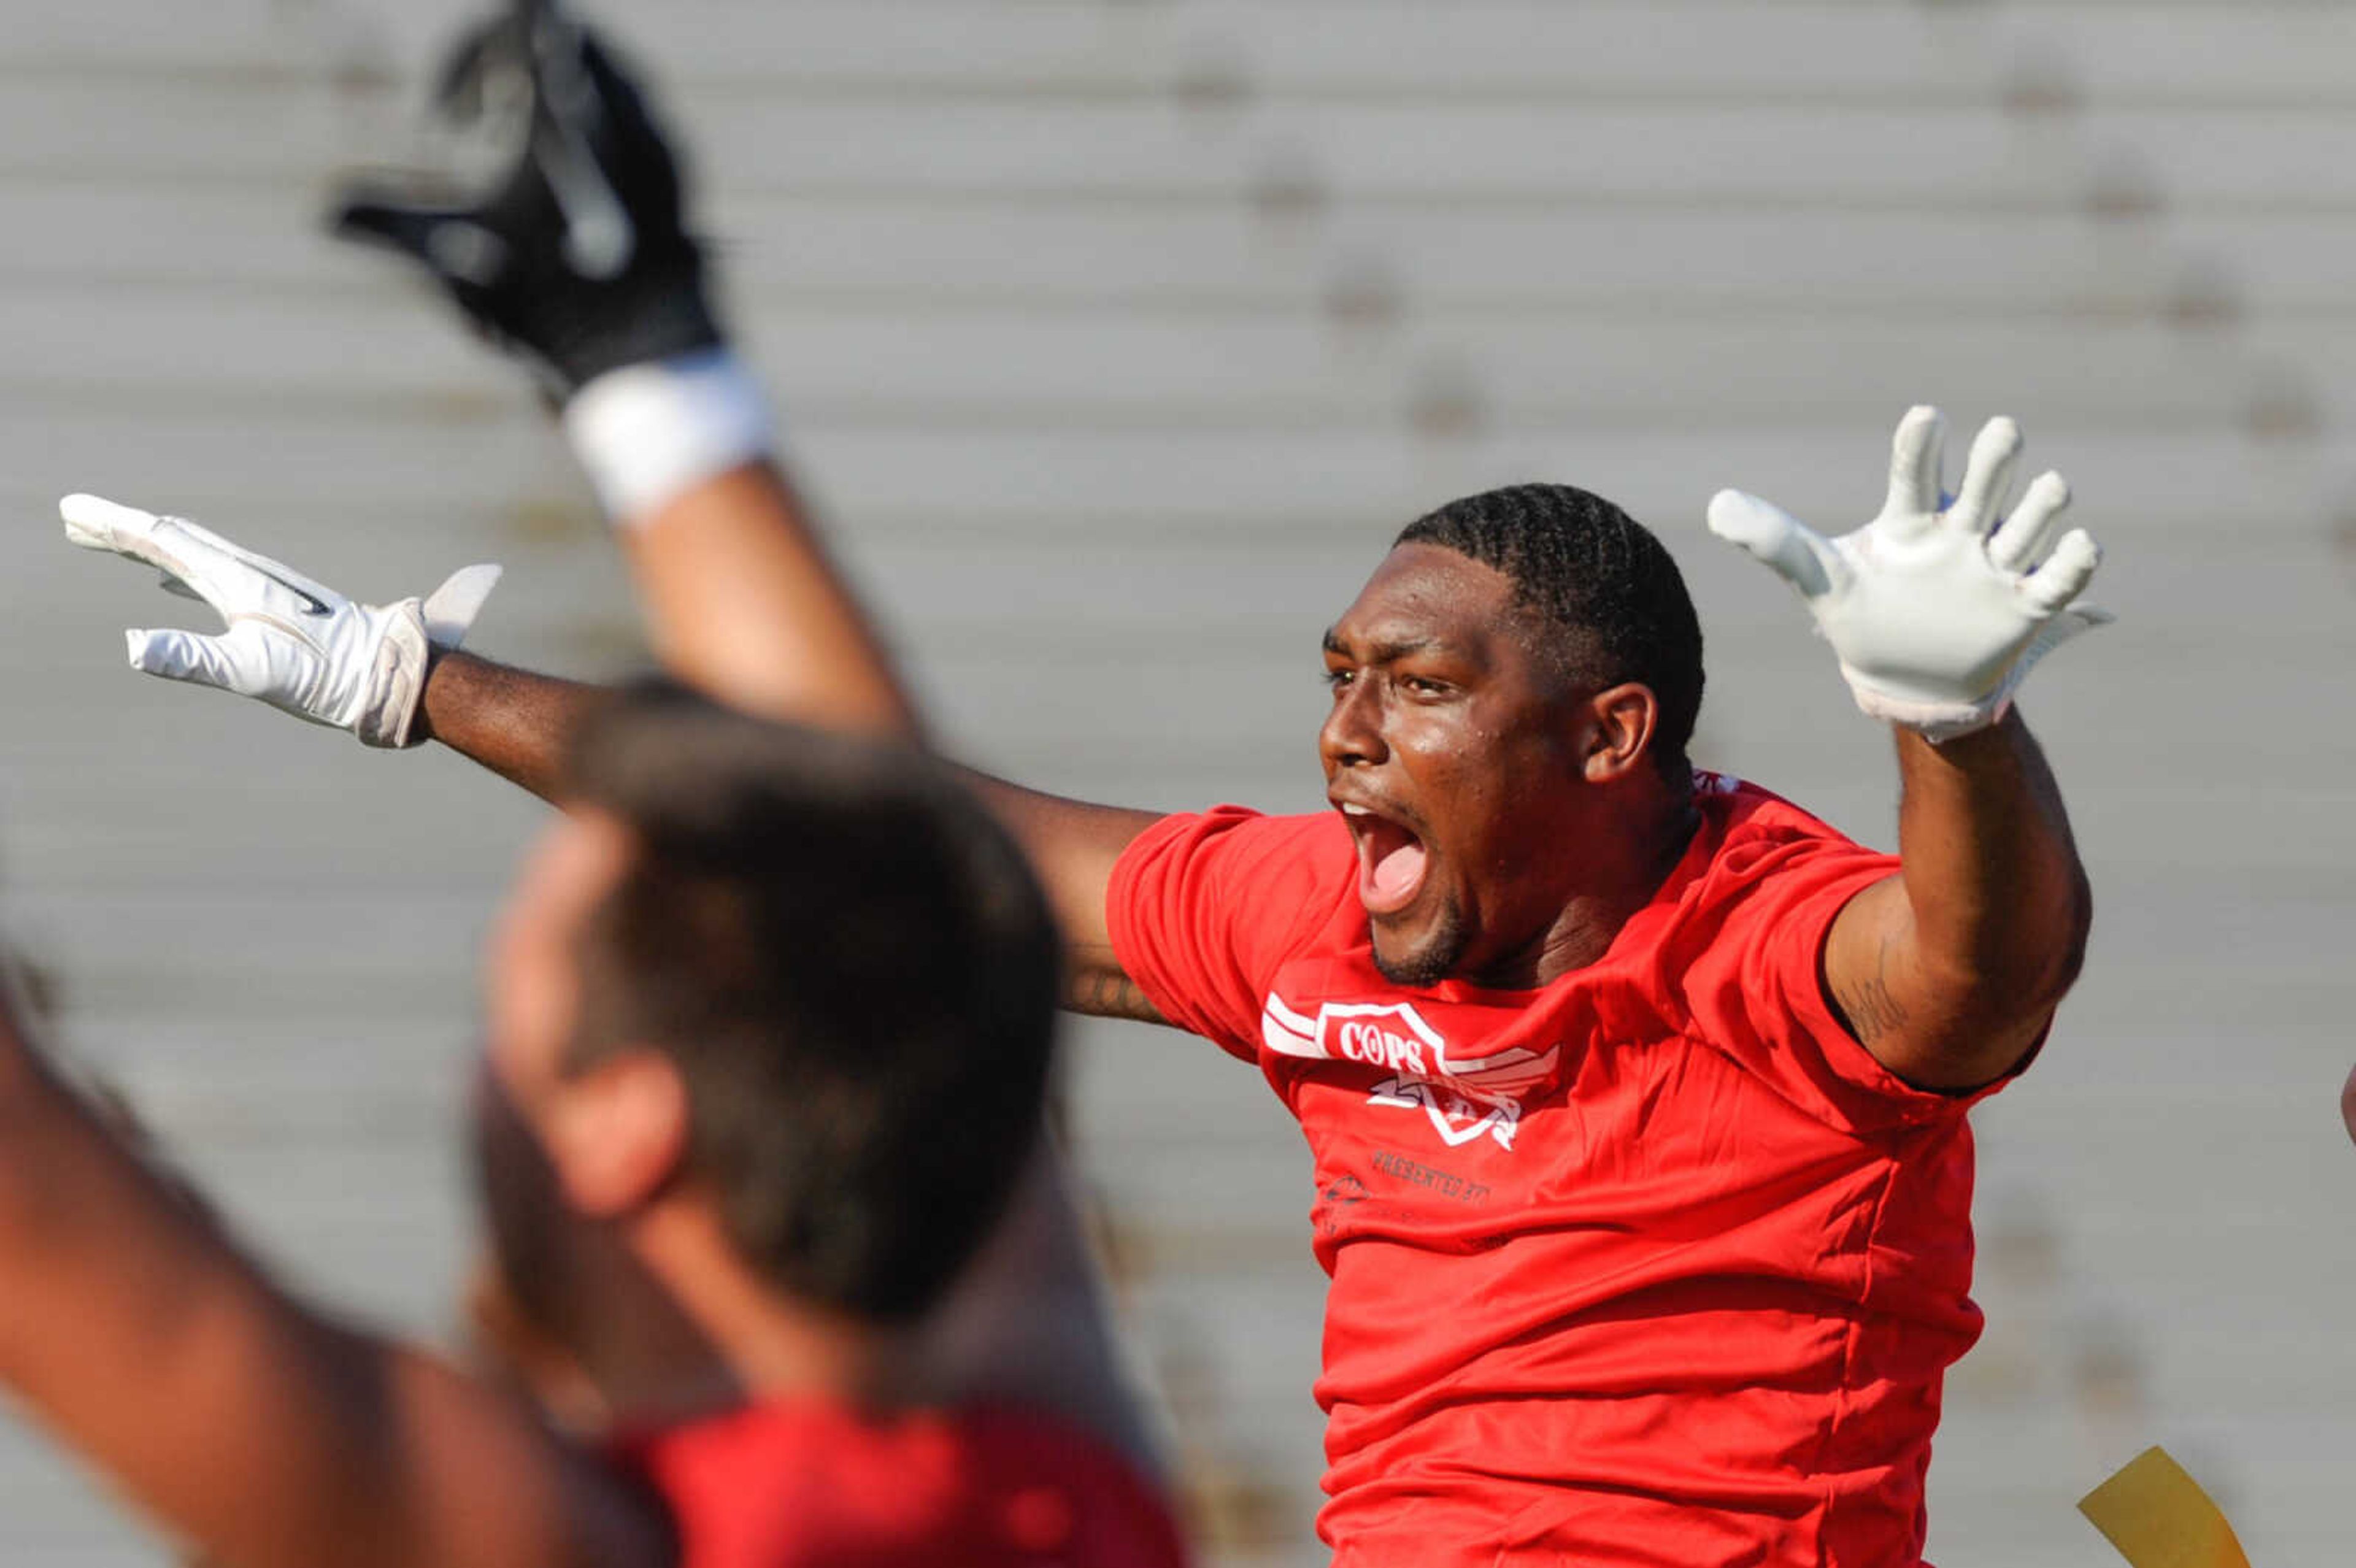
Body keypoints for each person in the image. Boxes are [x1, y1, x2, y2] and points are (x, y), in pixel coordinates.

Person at [67, 1, 2109, 1562]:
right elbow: (920, 841)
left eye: (1411, 686)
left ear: (1609, 738)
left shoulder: (1757, 925)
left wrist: (1956, 727)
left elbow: (1972, 975)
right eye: (1337, 680)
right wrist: (411, 675)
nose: (1343, 732)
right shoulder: (1313, 931)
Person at [0, 682, 1184, 1568]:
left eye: (498, 1020)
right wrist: (647, 375)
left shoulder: (664, 1543)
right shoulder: (1068, 1500)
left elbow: (45, 1225)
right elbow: (923, 904)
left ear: (624, 1125)